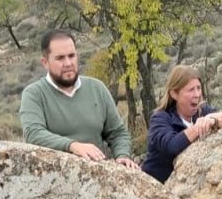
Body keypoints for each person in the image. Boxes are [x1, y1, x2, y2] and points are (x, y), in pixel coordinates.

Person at [20, 29, 139, 169]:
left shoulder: (97, 88)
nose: (68, 63)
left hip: (98, 172)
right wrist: (72, 146)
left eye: (71, 56)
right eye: (60, 58)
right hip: (54, 176)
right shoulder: (34, 94)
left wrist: (122, 155)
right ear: (45, 62)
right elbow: (34, 134)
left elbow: (117, 132)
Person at [142, 65, 222, 183]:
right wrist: (198, 128)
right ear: (174, 94)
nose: (197, 94)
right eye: (191, 90)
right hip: (156, 187)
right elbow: (172, 146)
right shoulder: (160, 118)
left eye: (198, 88)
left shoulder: (203, 111)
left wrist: (214, 119)